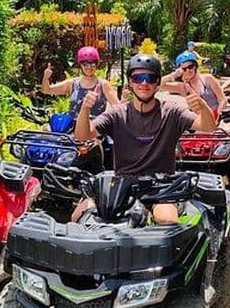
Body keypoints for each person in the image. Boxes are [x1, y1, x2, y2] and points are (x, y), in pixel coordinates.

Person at [75, 53, 217, 223]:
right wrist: (85, 109)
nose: (144, 83)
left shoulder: (172, 111)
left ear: (158, 83)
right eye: (138, 78)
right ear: (130, 82)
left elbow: (208, 127)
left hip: (161, 186)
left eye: (150, 78)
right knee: (79, 216)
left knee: (167, 221)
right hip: (121, 184)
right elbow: (83, 134)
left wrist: (203, 106)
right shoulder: (117, 114)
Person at [40, 46, 120, 118]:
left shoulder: (103, 84)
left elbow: (118, 107)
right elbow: (46, 90)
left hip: (95, 128)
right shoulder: (72, 83)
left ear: (97, 64)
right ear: (80, 65)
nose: (89, 67)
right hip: (73, 129)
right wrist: (45, 78)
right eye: (85, 64)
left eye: (92, 64)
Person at [161, 51, 227, 118]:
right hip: (198, 120)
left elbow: (222, 100)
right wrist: (174, 75)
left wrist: (218, 115)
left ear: (195, 66)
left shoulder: (208, 78)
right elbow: (158, 85)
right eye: (184, 69)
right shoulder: (182, 86)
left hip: (215, 116)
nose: (188, 71)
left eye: (190, 67)